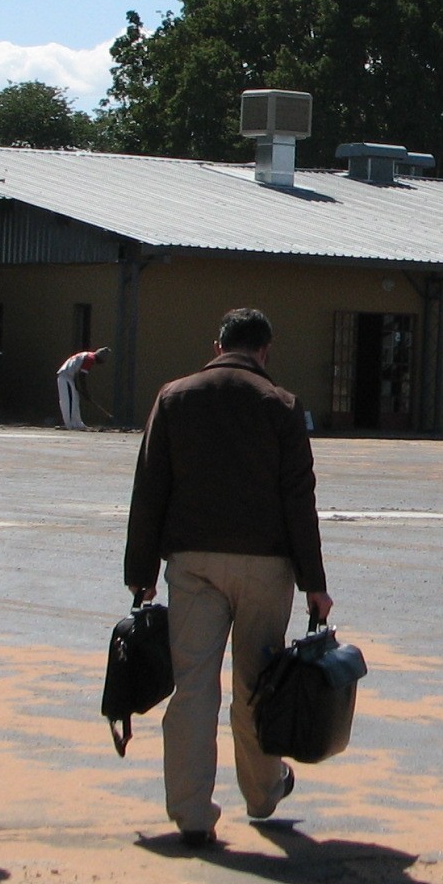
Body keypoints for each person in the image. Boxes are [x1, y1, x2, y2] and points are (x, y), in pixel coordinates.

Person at [125, 308, 330, 848]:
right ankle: (263, 793)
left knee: (193, 687)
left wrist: (141, 573)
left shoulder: (174, 398)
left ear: (217, 345)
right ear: (265, 350)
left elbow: (150, 489)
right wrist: (315, 583)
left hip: (192, 563)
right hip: (266, 564)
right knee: (256, 685)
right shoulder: (282, 406)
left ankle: (192, 812)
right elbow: (298, 500)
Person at [57, 344, 113, 430]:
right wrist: (85, 392)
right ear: (100, 358)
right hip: (65, 376)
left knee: (75, 400)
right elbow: (82, 376)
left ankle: (78, 424)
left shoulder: (87, 355)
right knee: (68, 401)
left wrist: (80, 389)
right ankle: (70, 425)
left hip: (70, 377)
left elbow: (77, 371)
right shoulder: (90, 359)